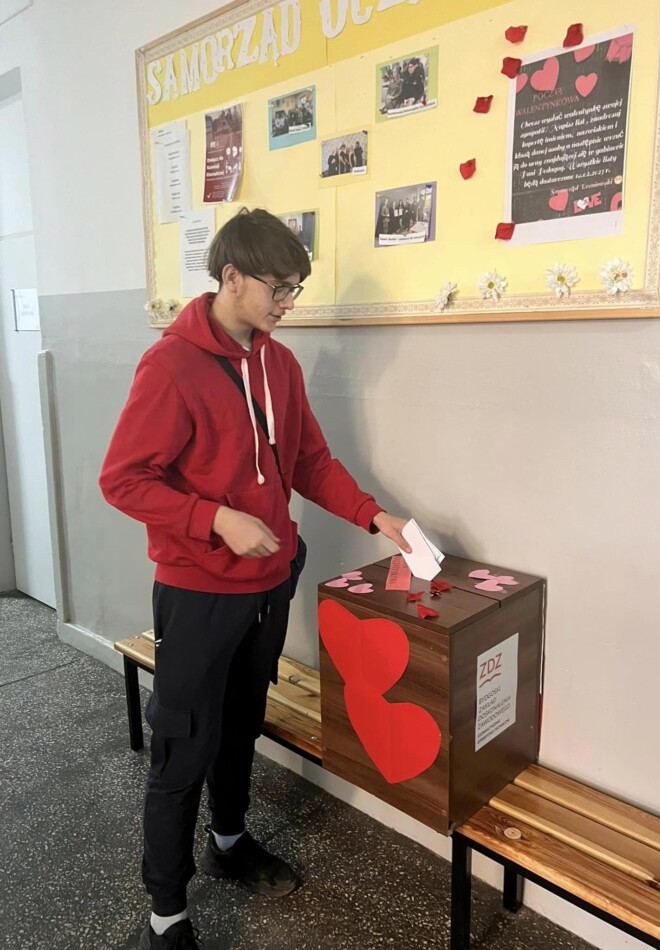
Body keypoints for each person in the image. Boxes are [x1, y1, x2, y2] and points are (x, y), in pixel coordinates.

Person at [100, 208, 410, 950]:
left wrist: (374, 516)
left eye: (296, 288)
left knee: (241, 723)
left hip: (268, 586)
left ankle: (229, 841)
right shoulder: (170, 367)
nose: (288, 303)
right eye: (279, 288)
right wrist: (214, 519)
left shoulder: (280, 364)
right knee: (184, 746)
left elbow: (308, 461)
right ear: (231, 277)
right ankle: (165, 914)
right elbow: (123, 479)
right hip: (199, 591)